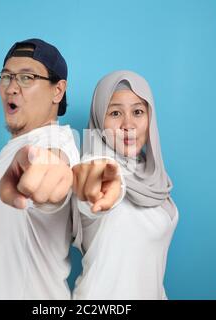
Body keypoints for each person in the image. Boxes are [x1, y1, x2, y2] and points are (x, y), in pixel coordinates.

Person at [0, 39, 122, 299]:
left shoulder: (54, 143)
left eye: (26, 77)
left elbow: (51, 168)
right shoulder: (16, 145)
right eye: (7, 76)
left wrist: (47, 178)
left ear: (57, 91)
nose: (11, 88)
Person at [72, 70, 179, 300]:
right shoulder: (98, 168)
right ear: (100, 120)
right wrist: (94, 185)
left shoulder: (154, 177)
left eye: (138, 112)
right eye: (115, 112)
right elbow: (92, 187)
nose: (128, 124)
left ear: (150, 118)